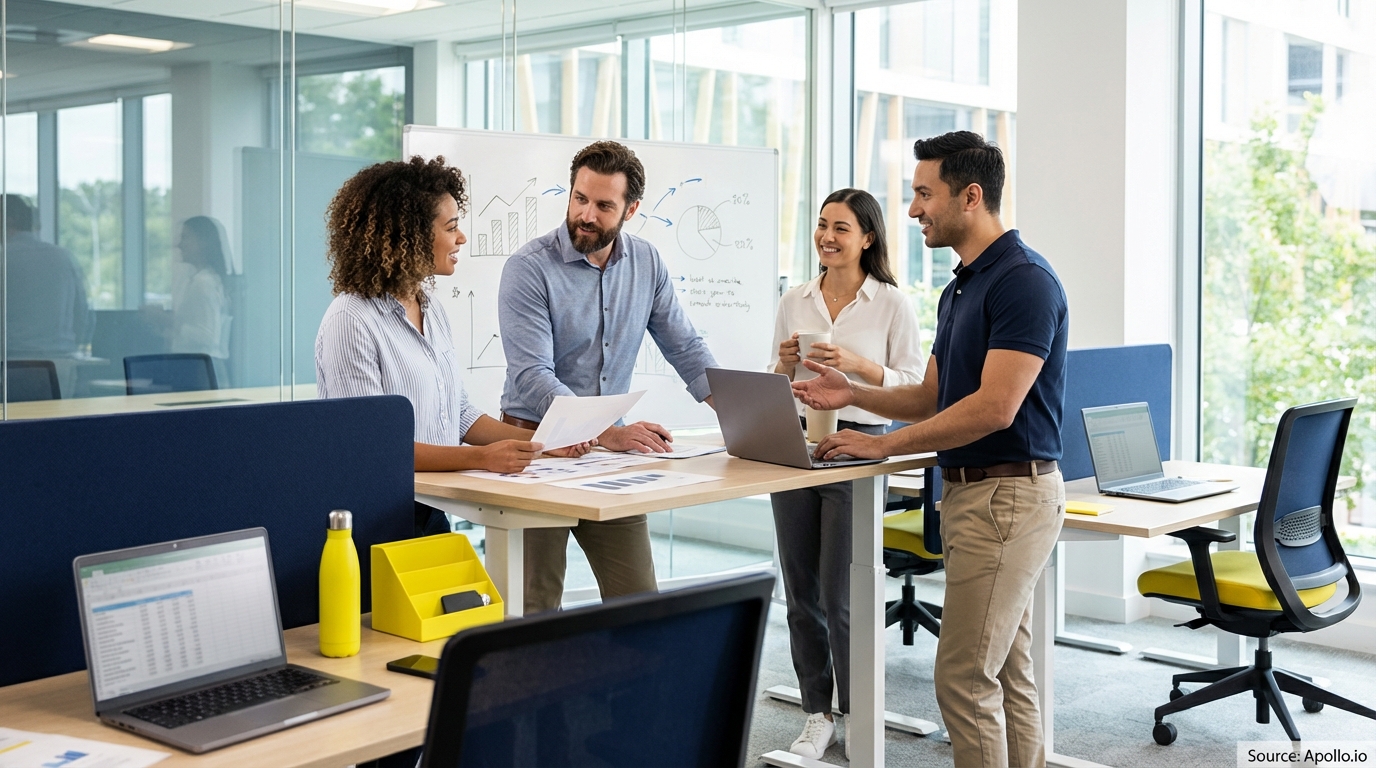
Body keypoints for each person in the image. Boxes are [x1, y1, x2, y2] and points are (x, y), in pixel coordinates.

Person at [792, 131, 1068, 768]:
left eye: (924, 194)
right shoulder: (963, 287)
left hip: (1007, 497)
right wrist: (850, 392)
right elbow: (933, 395)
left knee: (964, 680)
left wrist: (881, 446)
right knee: (1007, 675)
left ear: (970, 197)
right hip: (978, 495)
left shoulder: (1022, 283)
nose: (913, 210)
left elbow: (994, 407)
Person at [315, 156, 591, 536]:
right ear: (408, 236)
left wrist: (542, 444)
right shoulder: (351, 320)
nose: (461, 238)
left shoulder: (432, 309)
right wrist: (481, 458)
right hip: (373, 515)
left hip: (429, 508)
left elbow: (458, 414)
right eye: (452, 227)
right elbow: (372, 447)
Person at [498, 140, 718, 614]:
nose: (586, 215)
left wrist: (747, 414)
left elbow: (685, 347)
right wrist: (609, 432)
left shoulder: (646, 263)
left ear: (631, 209)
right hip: (536, 450)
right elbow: (533, 375)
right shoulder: (528, 268)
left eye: (603, 205)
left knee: (637, 601)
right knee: (535, 609)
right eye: (580, 198)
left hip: (604, 456)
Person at [769, 188, 924, 760]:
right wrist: (785, 365)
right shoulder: (796, 299)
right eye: (821, 225)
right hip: (800, 446)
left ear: (868, 238)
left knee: (843, 593)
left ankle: (859, 713)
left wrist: (856, 365)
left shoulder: (891, 304)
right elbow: (775, 382)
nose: (827, 237)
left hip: (860, 444)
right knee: (799, 590)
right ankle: (817, 714)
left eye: (840, 228)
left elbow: (913, 387)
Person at [4, 194, 90, 360]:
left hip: (10, 362)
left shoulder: (4, 258)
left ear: (7, 221)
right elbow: (82, 313)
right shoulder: (64, 257)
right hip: (61, 360)